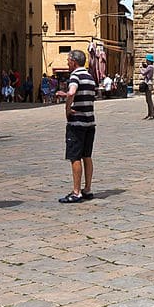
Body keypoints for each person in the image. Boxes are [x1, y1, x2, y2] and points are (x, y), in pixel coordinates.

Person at [57, 50, 96, 203]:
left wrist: (65, 97)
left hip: (77, 122)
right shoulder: (90, 76)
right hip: (90, 122)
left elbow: (72, 91)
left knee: (75, 157)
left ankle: (76, 192)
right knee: (87, 156)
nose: (67, 62)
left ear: (74, 61)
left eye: (68, 60)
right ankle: (87, 189)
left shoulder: (75, 76)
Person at [139, 54, 154, 119]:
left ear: (149, 60)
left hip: (148, 84)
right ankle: (150, 114)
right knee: (148, 100)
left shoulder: (150, 67)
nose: (146, 61)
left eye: (146, 60)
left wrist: (140, 68)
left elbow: (144, 73)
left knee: (149, 100)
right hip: (149, 83)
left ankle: (152, 114)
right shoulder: (150, 67)